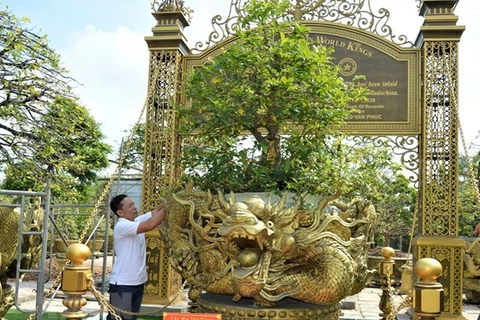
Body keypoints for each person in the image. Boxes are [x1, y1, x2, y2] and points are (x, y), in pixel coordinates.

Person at [107, 194, 166, 320]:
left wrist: (172, 199)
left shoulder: (136, 221)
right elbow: (150, 225)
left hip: (137, 283)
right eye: (130, 206)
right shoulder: (122, 225)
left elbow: (156, 212)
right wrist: (172, 206)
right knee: (119, 318)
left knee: (131, 318)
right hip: (122, 285)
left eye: (133, 204)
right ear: (120, 212)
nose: (134, 207)